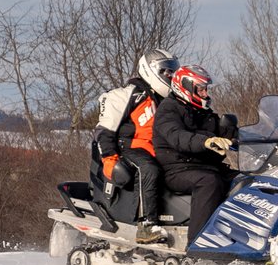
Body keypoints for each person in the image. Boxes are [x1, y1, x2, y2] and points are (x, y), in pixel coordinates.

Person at [152, 64, 239, 243]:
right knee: (209, 182)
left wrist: (242, 137)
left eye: (205, 89)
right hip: (178, 169)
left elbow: (222, 133)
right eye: (200, 89)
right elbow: (177, 137)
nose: (205, 94)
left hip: (205, 166)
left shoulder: (203, 112)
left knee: (244, 180)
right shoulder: (168, 109)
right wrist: (206, 141)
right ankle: (198, 245)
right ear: (185, 85)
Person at [97, 49, 175, 227]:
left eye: (172, 71)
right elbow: (105, 129)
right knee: (148, 169)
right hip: (129, 148)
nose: (170, 75)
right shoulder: (128, 95)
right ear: (150, 70)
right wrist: (109, 158)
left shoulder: (167, 100)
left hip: (155, 150)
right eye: (165, 71)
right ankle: (146, 224)